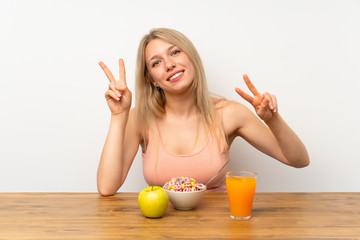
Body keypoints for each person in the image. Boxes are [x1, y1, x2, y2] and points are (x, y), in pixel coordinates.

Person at [97, 28, 309, 196]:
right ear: (152, 80)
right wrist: (118, 116)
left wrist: (273, 120)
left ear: (191, 57)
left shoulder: (229, 113)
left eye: (175, 52)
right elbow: (107, 188)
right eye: (156, 62)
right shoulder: (139, 118)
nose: (169, 64)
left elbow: (299, 160)